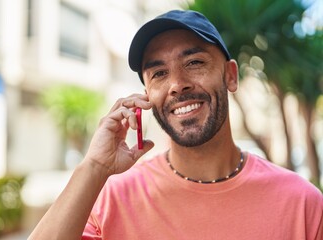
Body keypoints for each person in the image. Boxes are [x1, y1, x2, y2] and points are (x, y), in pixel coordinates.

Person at [29, 10, 323, 240]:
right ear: (146, 95)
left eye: (194, 62)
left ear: (230, 76)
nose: (177, 85)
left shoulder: (302, 203)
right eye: (158, 73)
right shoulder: (112, 199)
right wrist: (93, 167)